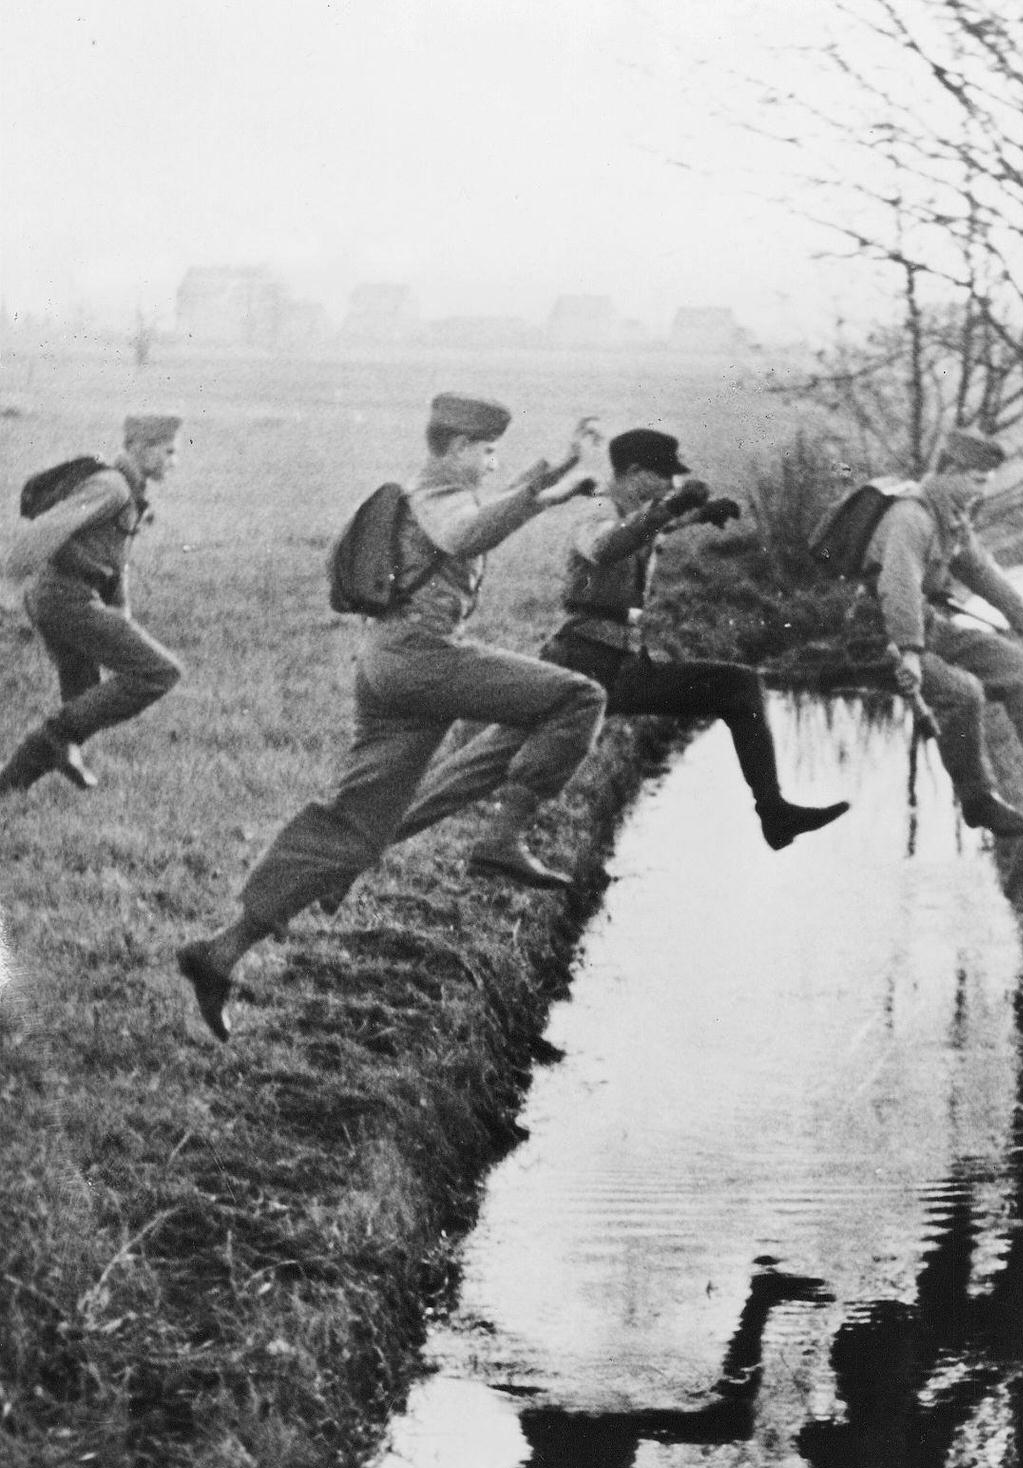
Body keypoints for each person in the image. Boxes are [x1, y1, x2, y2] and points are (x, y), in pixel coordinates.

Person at [176, 393, 607, 1043]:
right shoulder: (438, 496)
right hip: (423, 661)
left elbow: (482, 511)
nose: (494, 464)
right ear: (458, 447)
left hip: (389, 669)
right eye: (488, 452)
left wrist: (556, 470)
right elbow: (467, 530)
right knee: (577, 698)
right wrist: (539, 496)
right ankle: (504, 834)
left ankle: (219, 951)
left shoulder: (439, 491)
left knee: (357, 828)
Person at [381, 427, 849, 862]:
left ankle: (774, 812)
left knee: (739, 687)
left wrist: (697, 515)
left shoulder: (635, 514)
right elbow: (606, 547)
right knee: (475, 772)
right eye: (661, 476)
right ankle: (368, 846)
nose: (668, 485)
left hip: (623, 664)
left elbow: (650, 531)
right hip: (583, 660)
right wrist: (669, 510)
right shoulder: (597, 511)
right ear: (630, 474)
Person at [864, 427, 1023, 838]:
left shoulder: (949, 517)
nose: (982, 491)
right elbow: (895, 587)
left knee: (1021, 668)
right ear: (949, 470)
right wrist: (912, 653)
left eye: (987, 481)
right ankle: (979, 801)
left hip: (923, 625)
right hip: (877, 637)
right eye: (976, 480)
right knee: (961, 692)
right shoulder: (911, 518)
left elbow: (984, 574)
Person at [0, 414, 185, 794]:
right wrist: (9, 582)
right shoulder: (112, 487)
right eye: (168, 451)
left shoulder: (129, 492)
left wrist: (122, 617)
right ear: (138, 446)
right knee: (160, 672)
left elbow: (115, 564)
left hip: (61, 598)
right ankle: (53, 741)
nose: (174, 460)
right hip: (63, 598)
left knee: (82, 697)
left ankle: (10, 784)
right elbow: (46, 528)